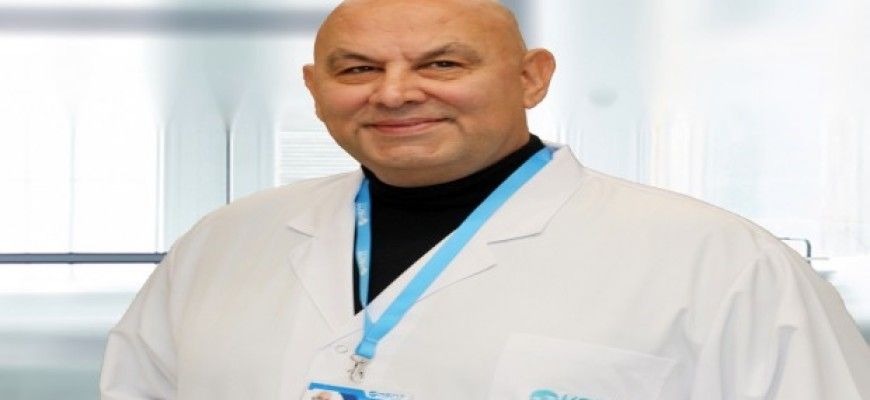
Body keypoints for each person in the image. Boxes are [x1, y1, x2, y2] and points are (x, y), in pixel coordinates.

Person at [100, 0, 870, 399]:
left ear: (531, 78)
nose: (395, 94)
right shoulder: (226, 243)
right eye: (357, 69)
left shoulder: (721, 263)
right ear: (314, 88)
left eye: (442, 64)